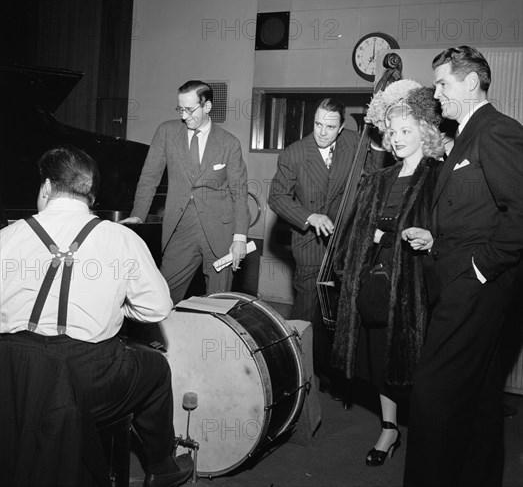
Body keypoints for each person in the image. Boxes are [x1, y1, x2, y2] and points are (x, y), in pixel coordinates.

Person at [0, 146, 193, 487]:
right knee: (156, 368)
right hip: (89, 379)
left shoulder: (7, 237)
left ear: (46, 188)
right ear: (90, 195)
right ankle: (161, 468)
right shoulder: (119, 237)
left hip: (13, 377)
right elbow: (157, 307)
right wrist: (117, 308)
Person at [402, 46, 523, 487]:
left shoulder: (496, 131)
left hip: (475, 287)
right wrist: (438, 238)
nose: (436, 94)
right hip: (463, 279)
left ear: (471, 83)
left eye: (443, 84)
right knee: (480, 400)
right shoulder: (467, 135)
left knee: (433, 397)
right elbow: (479, 211)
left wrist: (479, 268)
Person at [331, 84, 444, 466]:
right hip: (378, 283)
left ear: (424, 133)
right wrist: (373, 239)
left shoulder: (437, 177)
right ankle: (389, 429)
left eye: (405, 132)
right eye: (392, 133)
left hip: (419, 288)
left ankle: (431, 434)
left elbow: (449, 231)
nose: (396, 139)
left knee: (423, 368)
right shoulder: (380, 179)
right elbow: (355, 234)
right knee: (381, 362)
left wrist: (400, 235)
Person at [268, 98, 385, 396]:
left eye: (330, 126)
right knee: (307, 317)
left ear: (341, 126)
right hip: (311, 246)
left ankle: (339, 375)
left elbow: (373, 174)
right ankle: (299, 380)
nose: (322, 132)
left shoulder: (352, 141)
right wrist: (308, 216)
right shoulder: (295, 153)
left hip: (345, 244)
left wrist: (379, 141)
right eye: (318, 124)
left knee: (342, 315)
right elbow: (277, 198)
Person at [122, 80, 250, 304]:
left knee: (218, 304)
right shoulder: (166, 132)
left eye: (189, 109)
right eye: (180, 109)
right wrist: (139, 214)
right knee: (161, 298)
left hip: (221, 232)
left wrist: (240, 237)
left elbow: (239, 192)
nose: (183, 115)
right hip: (180, 227)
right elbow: (149, 177)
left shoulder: (229, 143)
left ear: (207, 106)